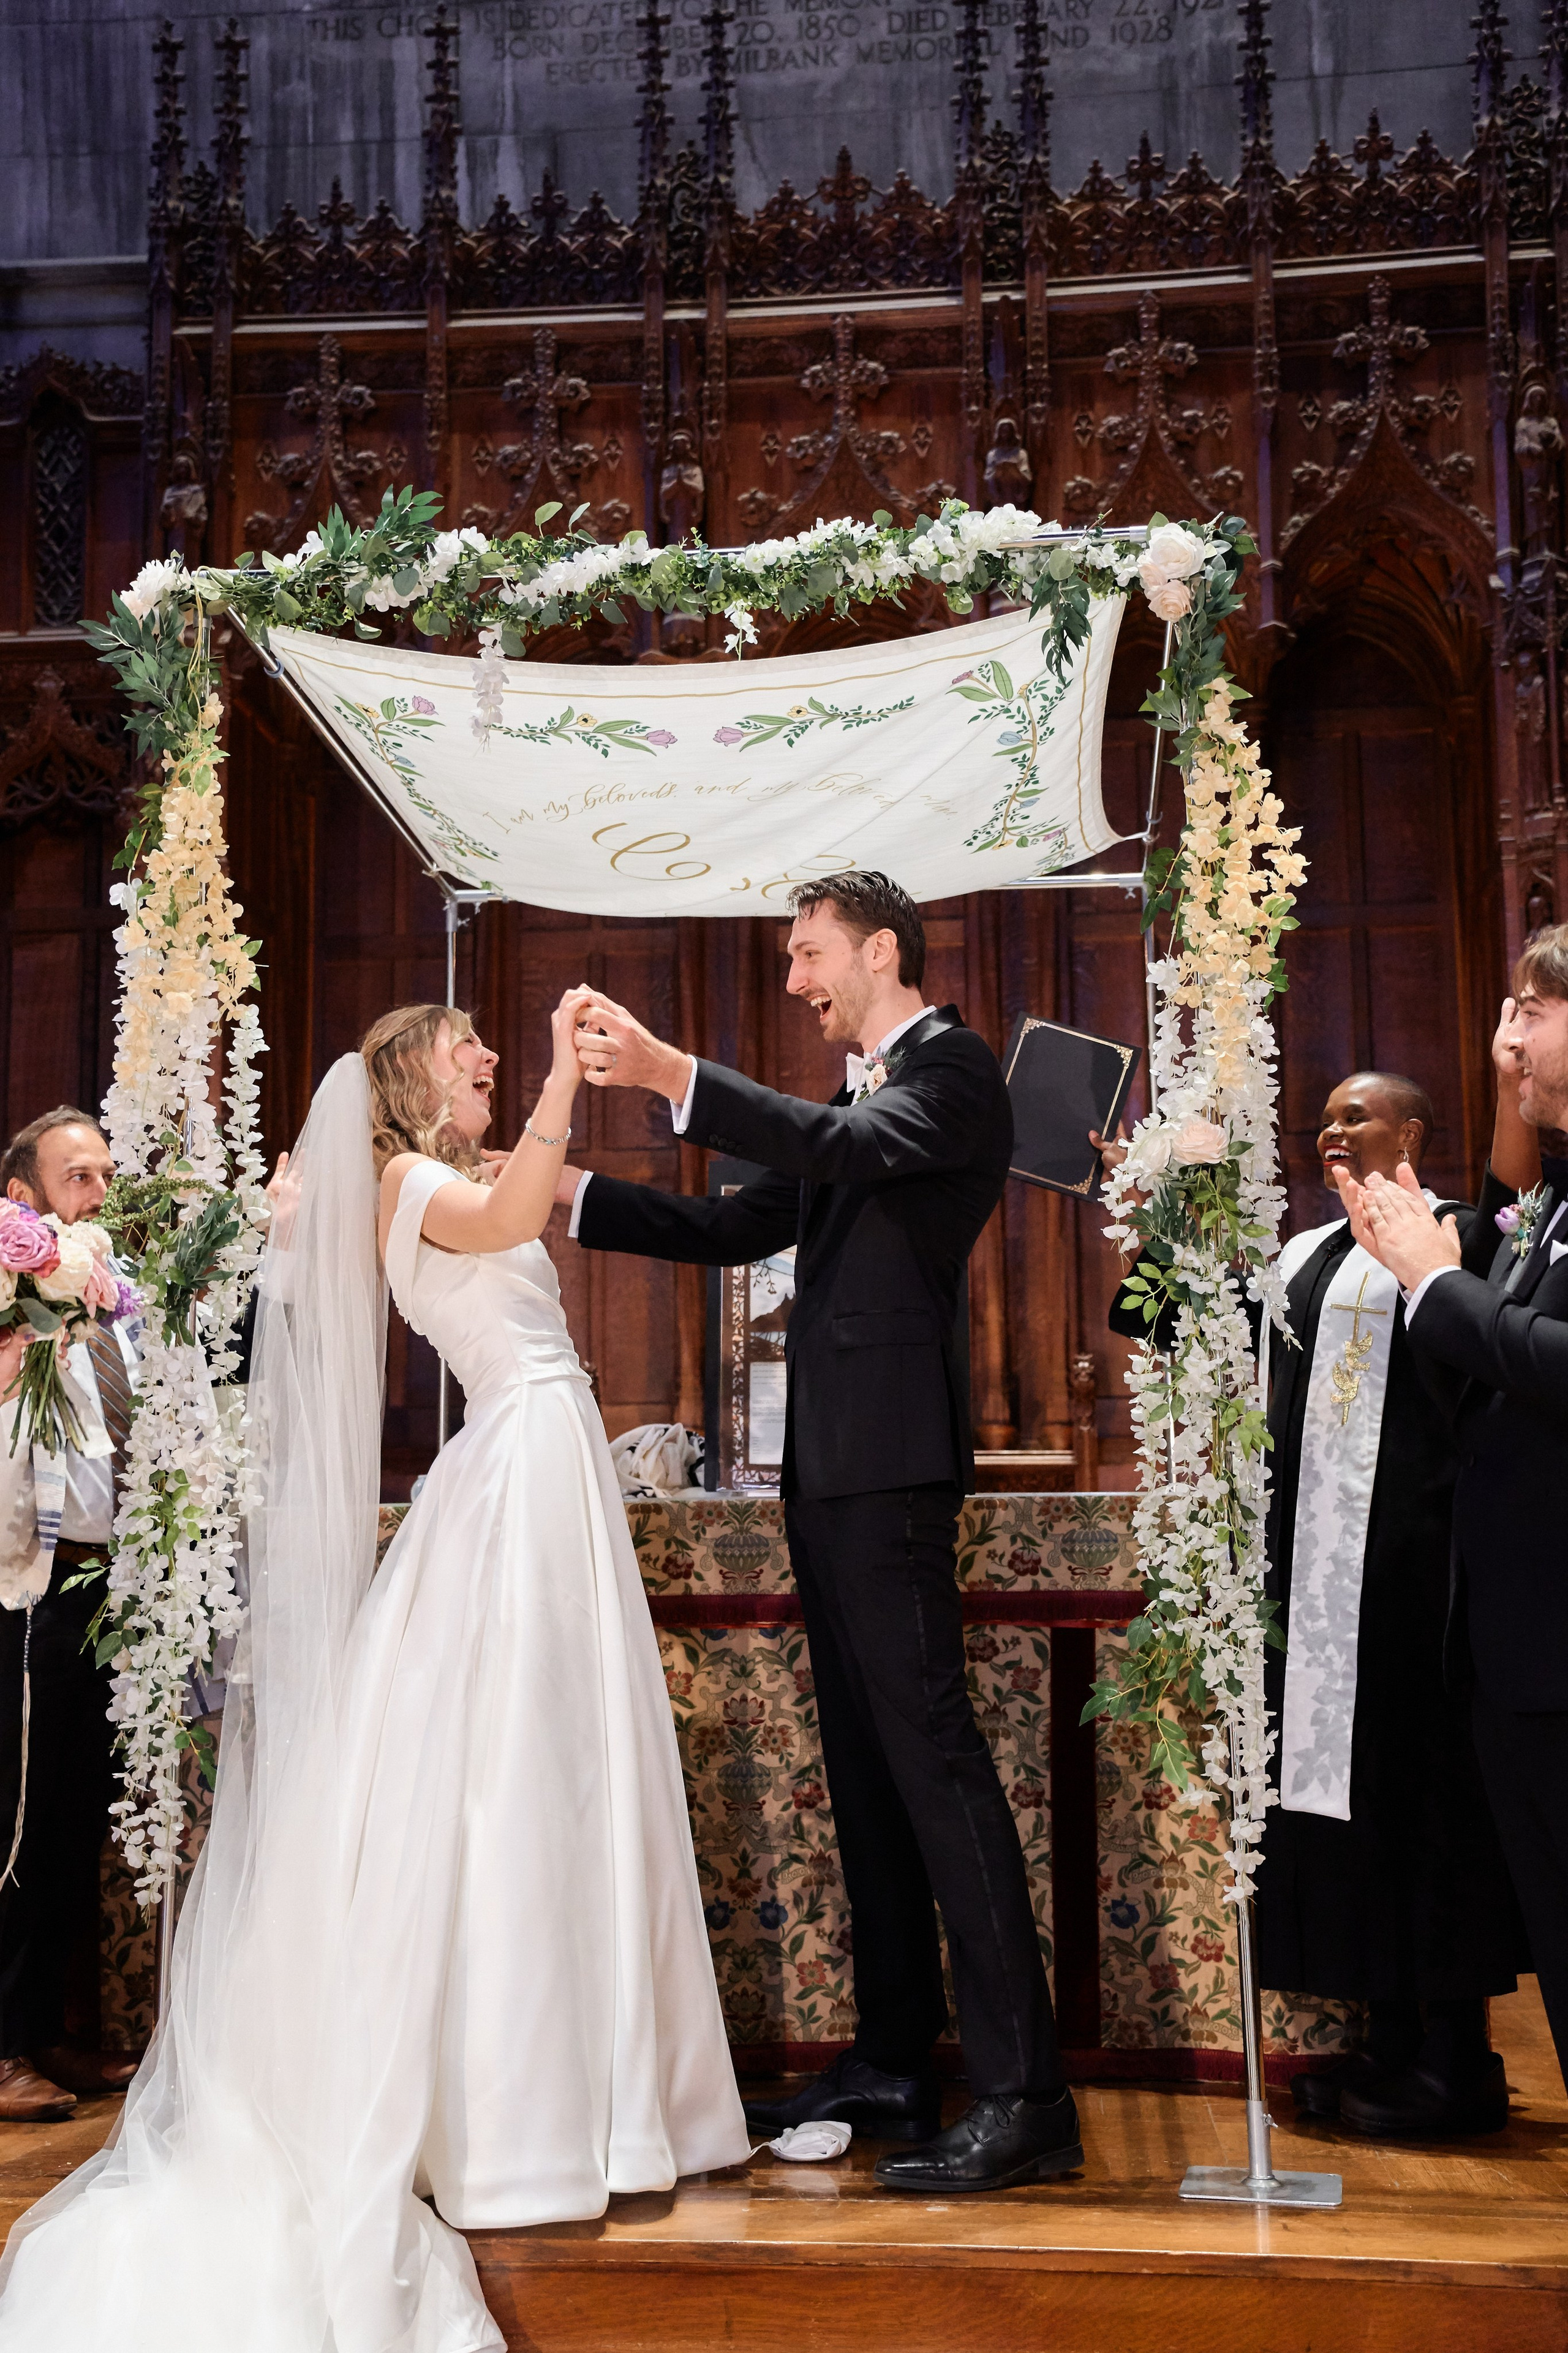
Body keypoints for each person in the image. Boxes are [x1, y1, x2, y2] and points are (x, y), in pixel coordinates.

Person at [0, 994, 748, 2352]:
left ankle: (615, 2090)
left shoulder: (449, 1170)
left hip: (550, 1452)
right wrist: (565, 1096)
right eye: (468, 1048)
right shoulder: (406, 1178)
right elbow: (517, 1218)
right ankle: (507, 2117)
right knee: (505, 1766)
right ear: (411, 1078)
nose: (487, 1059)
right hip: (516, 1461)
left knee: (572, 1763)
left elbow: (528, 1209)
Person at [557, 871, 1081, 2195]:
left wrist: (679, 1071)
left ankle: (1026, 2098)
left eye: (807, 956)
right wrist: (563, 1198)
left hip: (892, 1471)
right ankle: (895, 2054)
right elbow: (738, 1223)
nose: (794, 983)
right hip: (830, 1471)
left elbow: (839, 1152)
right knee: (866, 1775)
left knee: (937, 1767)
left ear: (880, 952)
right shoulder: (858, 1095)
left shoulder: (953, 1070)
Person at [1108, 1062, 1531, 2136]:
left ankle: (1457, 2058)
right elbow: (1196, 1341)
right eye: (1326, 1119)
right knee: (1350, 1819)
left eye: (1360, 1116)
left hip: (1422, 1585)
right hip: (1320, 1584)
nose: (1332, 1132)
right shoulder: (1303, 1254)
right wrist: (1149, 1219)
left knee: (1429, 1808)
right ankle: (1392, 2050)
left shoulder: (1466, 1241)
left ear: (1414, 1131)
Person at [1339, 928, 1568, 2098]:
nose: (1504, 1038)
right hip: (1513, 1644)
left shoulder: (1510, 1218)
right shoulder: (1553, 1202)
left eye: (1530, 1011)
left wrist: (1435, 1276)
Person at [0, 1108, 140, 2123]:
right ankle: (2, 2046)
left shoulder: (110, 1300)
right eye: (75, 1176)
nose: (95, 1192)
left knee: (73, 1818)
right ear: (26, 1199)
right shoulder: (14, 1303)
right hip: (26, 1585)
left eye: (102, 1173)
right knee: (13, 1820)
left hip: (100, 1582)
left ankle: (49, 2029)